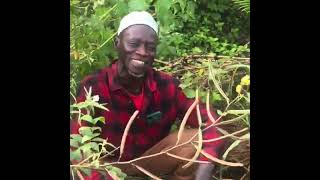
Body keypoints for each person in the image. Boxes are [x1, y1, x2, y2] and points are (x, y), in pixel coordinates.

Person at [71, 11, 224, 180]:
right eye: (133, 44)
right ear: (117, 43)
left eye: (150, 47)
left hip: (149, 161)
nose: (143, 52)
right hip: (107, 168)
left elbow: (210, 120)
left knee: (197, 140)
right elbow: (77, 146)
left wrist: (206, 164)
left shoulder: (167, 86)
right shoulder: (94, 86)